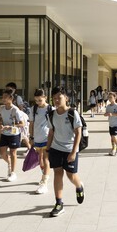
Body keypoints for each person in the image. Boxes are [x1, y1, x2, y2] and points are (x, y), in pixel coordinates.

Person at [46, 86, 85, 217]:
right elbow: (51, 132)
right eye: (54, 98)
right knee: (57, 173)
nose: (57, 100)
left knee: (71, 175)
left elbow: (78, 132)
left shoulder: (72, 113)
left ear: (66, 98)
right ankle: (59, 203)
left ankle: (79, 186)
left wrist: (74, 152)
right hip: (56, 148)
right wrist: (47, 148)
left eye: (59, 97)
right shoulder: (51, 114)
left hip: (69, 149)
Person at [0, 88, 25, 182]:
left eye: (5, 97)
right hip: (4, 134)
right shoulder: (1, 108)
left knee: (13, 153)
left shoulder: (15, 110)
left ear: (11, 98)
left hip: (14, 134)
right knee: (2, 153)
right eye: (2, 97)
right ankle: (9, 163)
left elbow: (22, 123)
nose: (3, 99)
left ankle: (13, 172)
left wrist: (11, 126)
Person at [30, 88, 52, 194]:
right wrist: (31, 137)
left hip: (47, 138)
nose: (38, 102)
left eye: (40, 100)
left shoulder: (51, 109)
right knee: (40, 160)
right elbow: (31, 124)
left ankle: (44, 182)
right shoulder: (33, 109)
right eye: (36, 100)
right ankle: (45, 175)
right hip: (37, 138)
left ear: (45, 98)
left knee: (45, 159)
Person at [105, 91, 117, 156]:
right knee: (112, 137)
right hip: (111, 124)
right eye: (108, 97)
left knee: (113, 136)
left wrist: (112, 114)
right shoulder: (108, 106)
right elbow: (105, 113)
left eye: (111, 97)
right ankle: (113, 149)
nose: (109, 99)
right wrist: (106, 114)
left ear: (114, 98)